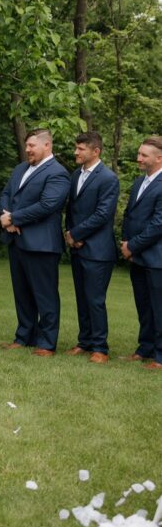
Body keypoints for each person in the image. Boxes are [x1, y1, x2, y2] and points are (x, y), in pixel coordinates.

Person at [0, 128, 70, 356]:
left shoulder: (58, 173)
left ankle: (47, 343)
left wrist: (15, 217)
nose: (28, 150)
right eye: (27, 146)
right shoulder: (21, 169)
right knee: (22, 293)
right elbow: (6, 194)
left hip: (42, 244)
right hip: (16, 240)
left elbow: (48, 205)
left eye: (32, 146)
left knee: (45, 295)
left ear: (46, 145)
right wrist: (7, 218)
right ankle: (24, 337)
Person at [64, 131, 119, 364]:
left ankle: (100, 348)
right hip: (78, 247)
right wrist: (70, 236)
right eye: (76, 148)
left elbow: (103, 214)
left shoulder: (108, 178)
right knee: (82, 298)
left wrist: (76, 233)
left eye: (80, 149)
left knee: (95, 299)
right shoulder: (76, 175)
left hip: (98, 250)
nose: (76, 152)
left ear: (95, 151)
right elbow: (73, 209)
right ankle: (84, 342)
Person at [120, 135, 162, 370]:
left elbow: (158, 225)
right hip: (138, 257)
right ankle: (144, 348)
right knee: (144, 306)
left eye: (144, 155)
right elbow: (130, 215)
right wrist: (127, 244)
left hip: (157, 258)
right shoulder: (139, 182)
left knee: (159, 307)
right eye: (139, 154)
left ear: (159, 158)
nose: (139, 158)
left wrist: (132, 245)